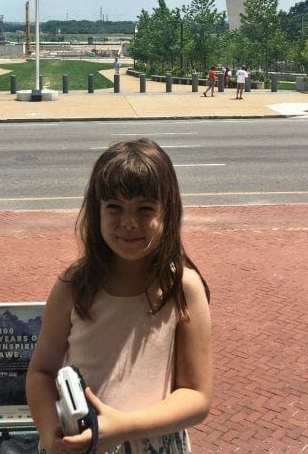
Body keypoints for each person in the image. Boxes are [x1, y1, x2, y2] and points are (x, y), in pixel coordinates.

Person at [26, 139, 212, 454]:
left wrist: (122, 427)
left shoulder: (182, 287)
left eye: (145, 208)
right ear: (95, 209)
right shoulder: (74, 285)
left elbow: (196, 394)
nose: (128, 221)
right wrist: (48, 431)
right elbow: (41, 371)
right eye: (114, 207)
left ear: (168, 212)